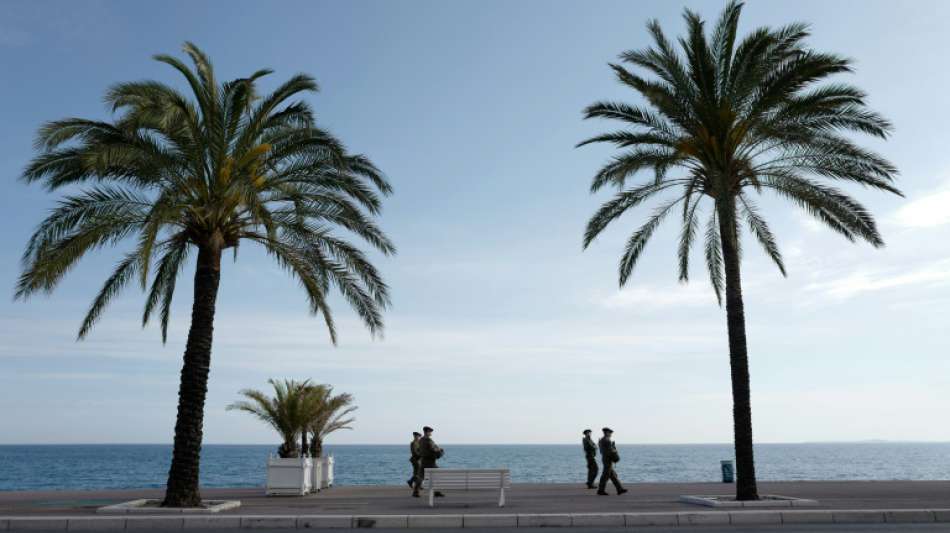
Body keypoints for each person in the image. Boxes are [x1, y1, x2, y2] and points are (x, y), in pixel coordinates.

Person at [412, 426, 445, 498]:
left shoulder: (420, 440)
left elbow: (418, 450)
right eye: (430, 431)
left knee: (421, 477)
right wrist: (441, 451)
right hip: (431, 462)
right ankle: (435, 492)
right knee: (436, 475)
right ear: (427, 432)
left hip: (423, 461)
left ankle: (415, 492)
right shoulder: (429, 440)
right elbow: (434, 450)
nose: (431, 433)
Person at [597, 427, 627, 496]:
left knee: (613, 475)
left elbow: (603, 450)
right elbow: (610, 451)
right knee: (605, 475)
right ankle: (600, 490)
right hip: (607, 459)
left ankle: (620, 489)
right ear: (606, 432)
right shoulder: (607, 440)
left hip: (606, 459)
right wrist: (614, 451)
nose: (611, 434)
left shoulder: (602, 440)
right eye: (610, 433)